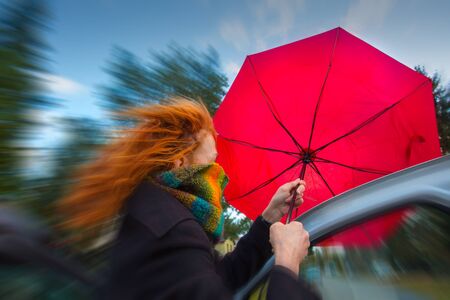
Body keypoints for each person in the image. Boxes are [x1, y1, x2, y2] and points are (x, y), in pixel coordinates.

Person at [58, 98, 320, 299]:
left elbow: (219, 279)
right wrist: (287, 260)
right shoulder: (170, 230)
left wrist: (268, 217)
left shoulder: (161, 216)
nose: (220, 173)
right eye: (212, 163)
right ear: (180, 162)